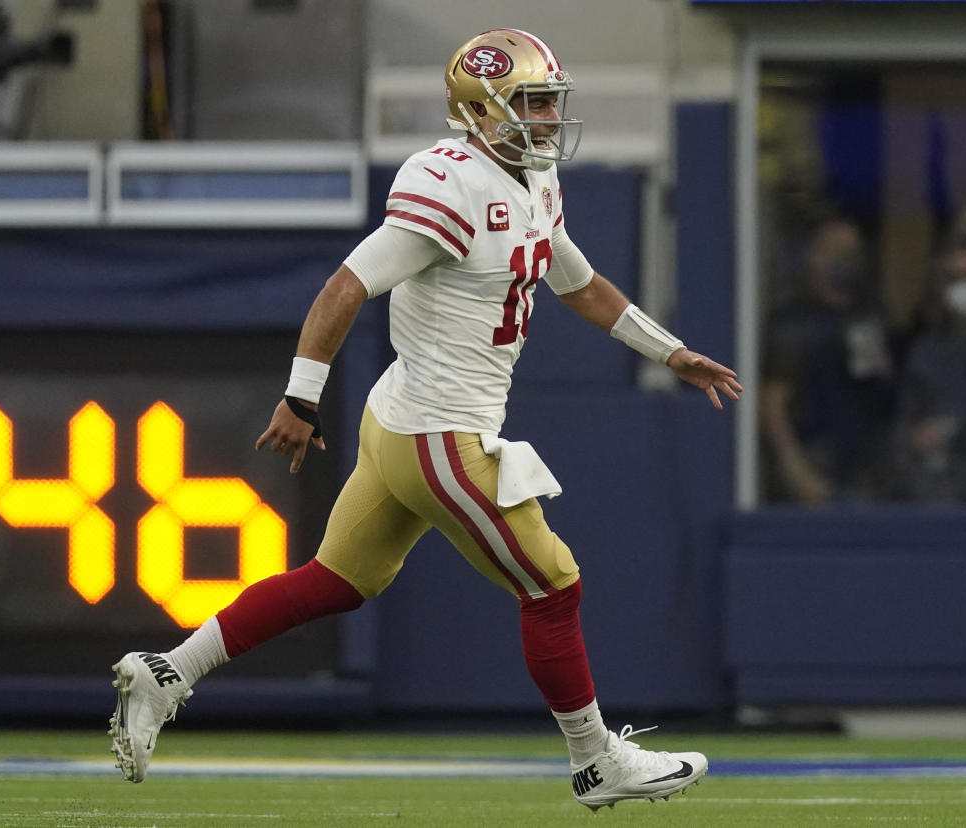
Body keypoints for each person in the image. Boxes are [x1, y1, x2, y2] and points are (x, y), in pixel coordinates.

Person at [107, 28, 740, 811]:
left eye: (550, 103)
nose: (547, 119)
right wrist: (301, 397)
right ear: (480, 113)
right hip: (441, 435)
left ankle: (166, 673)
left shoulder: (533, 181)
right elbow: (344, 287)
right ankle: (595, 762)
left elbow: (577, 281)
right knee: (554, 584)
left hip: (404, 421)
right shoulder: (450, 183)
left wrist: (669, 351)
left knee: (336, 582)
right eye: (533, 104)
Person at [759, 216, 895, 505]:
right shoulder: (794, 322)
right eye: (832, 250)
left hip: (867, 473)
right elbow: (772, 404)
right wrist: (795, 470)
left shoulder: (867, 317)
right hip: (815, 467)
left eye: (851, 253)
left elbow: (881, 397)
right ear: (811, 257)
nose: (842, 261)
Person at [889, 240, 966, 502]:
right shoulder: (924, 353)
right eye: (955, 278)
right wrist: (917, 437)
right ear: (939, 285)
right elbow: (904, 425)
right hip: (943, 496)